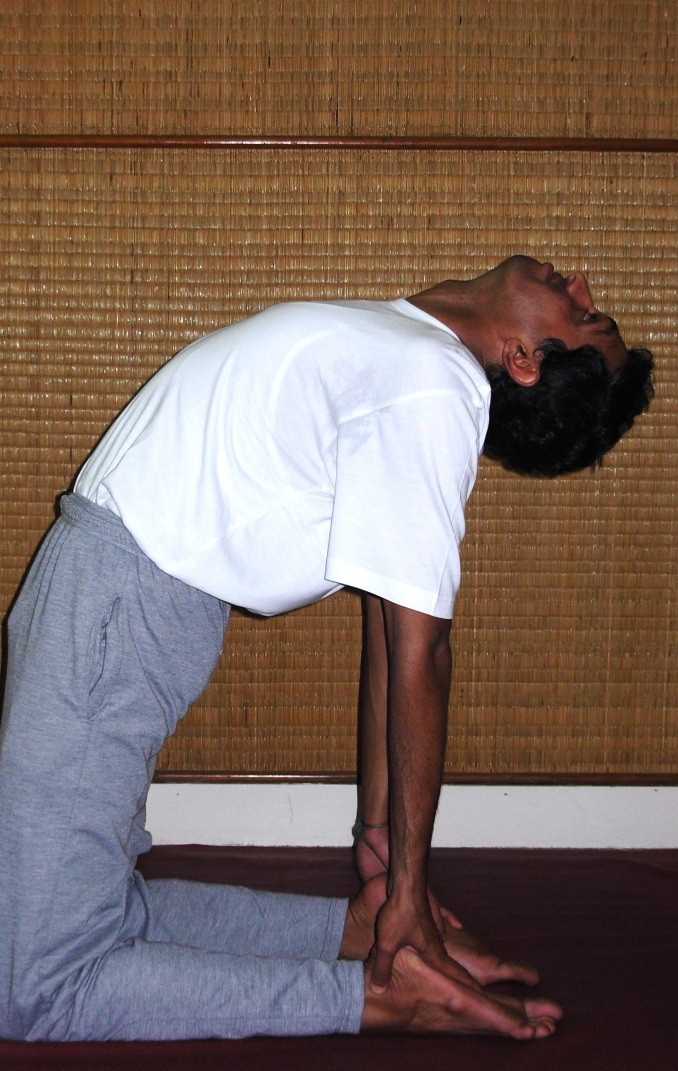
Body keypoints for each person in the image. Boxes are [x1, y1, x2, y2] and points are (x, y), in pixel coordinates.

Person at [0, 255, 653, 1042]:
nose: (578, 283)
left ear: (524, 359)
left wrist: (409, 886)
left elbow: (421, 653)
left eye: (584, 316)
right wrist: (381, 855)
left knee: (39, 986)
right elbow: (387, 620)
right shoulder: (414, 351)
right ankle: (349, 934)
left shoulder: (432, 385)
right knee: (90, 916)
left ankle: (378, 998)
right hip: (115, 595)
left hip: (116, 605)